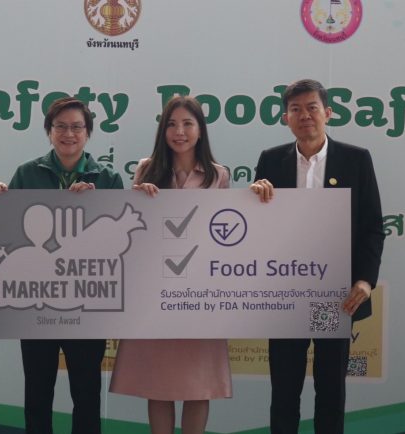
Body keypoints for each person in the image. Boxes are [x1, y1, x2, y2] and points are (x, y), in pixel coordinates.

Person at [250, 79, 385, 434]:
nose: (304, 115)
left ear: (328, 113)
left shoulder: (355, 159)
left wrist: (364, 280)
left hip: (334, 294)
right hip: (286, 294)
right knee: (284, 390)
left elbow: (372, 226)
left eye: (312, 108)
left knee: (330, 389)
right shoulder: (271, 161)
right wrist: (253, 199)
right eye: (295, 109)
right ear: (286, 118)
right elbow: (258, 229)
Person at [0, 96, 123, 434]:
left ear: (88, 133)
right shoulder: (27, 173)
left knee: (86, 393)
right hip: (37, 301)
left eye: (77, 127)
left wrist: (94, 207)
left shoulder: (107, 178)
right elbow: (9, 232)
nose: (69, 134)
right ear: (49, 131)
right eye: (60, 126)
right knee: (37, 391)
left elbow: (117, 245)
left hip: (86, 303)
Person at [109, 95, 232, 434]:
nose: (180, 132)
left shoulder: (219, 175)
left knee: (198, 385)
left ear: (200, 130)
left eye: (188, 124)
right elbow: (133, 234)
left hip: (201, 294)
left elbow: (225, 236)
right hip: (155, 293)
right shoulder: (146, 169)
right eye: (172, 124)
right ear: (163, 130)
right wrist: (138, 200)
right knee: (158, 384)